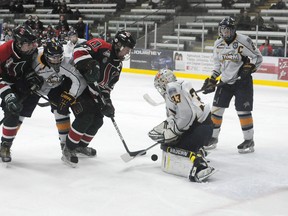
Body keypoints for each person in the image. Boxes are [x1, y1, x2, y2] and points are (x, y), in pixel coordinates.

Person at [60, 30, 136, 166]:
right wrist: (89, 65)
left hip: (92, 91)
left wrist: (107, 102)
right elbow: (79, 49)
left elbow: (107, 87)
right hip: (77, 87)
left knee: (98, 120)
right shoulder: (101, 45)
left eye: (129, 50)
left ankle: (80, 146)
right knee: (86, 116)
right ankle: (69, 148)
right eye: (126, 49)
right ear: (118, 44)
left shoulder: (118, 65)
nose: (127, 52)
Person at [201, 17, 263, 153]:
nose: (225, 33)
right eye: (223, 30)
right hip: (225, 81)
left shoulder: (244, 41)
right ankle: (213, 138)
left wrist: (250, 68)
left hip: (242, 82)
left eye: (228, 30)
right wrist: (212, 79)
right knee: (216, 110)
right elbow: (217, 65)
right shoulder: (218, 44)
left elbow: (258, 57)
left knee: (243, 111)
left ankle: (249, 140)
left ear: (233, 29)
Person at [31, 38, 94, 162]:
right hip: (34, 88)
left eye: (59, 57)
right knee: (18, 113)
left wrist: (70, 96)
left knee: (61, 110)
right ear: (46, 55)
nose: (56, 60)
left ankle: (66, 146)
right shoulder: (35, 58)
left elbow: (79, 80)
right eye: (53, 58)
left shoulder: (65, 62)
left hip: (55, 88)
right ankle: (6, 143)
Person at [148, 69, 215, 182]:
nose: (161, 89)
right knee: (169, 143)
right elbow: (180, 116)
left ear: (164, 82)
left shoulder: (172, 88)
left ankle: (199, 165)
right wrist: (169, 127)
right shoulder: (179, 87)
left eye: (160, 85)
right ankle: (198, 150)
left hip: (200, 129)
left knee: (169, 147)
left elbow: (187, 115)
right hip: (203, 128)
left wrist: (173, 132)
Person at [0, 25, 40, 163]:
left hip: (19, 81)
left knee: (21, 111)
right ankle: (5, 145)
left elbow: (27, 67)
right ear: (18, 42)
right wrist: (7, 94)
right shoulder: (4, 50)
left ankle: (8, 138)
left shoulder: (31, 51)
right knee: (12, 111)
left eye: (33, 43)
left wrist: (30, 76)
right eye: (28, 44)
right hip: (4, 82)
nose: (32, 46)